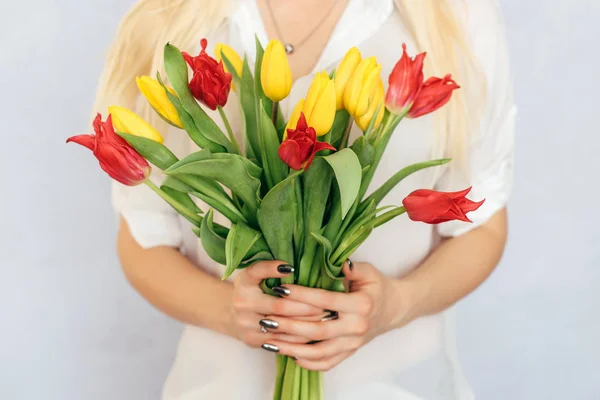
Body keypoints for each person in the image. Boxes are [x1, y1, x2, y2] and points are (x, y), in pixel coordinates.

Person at [95, 0, 515, 398]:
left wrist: (399, 304)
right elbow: (142, 238)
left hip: (398, 387)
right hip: (221, 389)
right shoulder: (169, 17)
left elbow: (482, 225)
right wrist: (230, 310)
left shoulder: (452, 16)